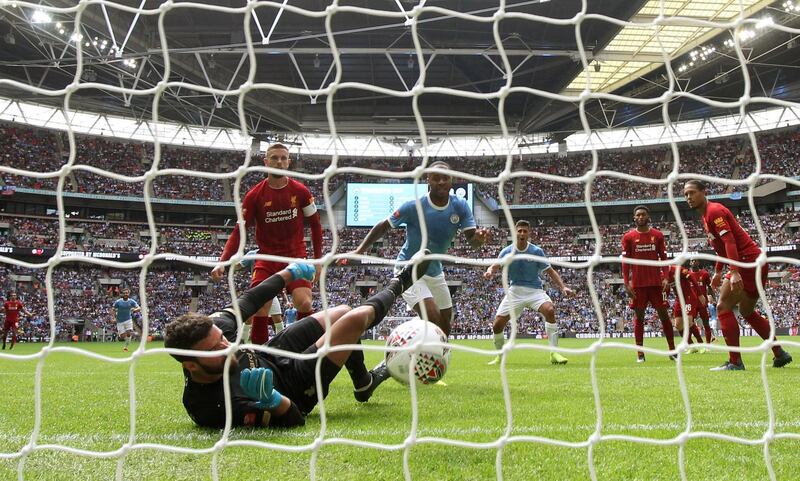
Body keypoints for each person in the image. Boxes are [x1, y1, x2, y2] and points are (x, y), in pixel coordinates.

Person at [164, 254, 430, 429]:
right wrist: (272, 399)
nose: (227, 345)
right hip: (293, 386)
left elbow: (249, 300)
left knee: (342, 311)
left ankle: (363, 383)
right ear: (191, 366)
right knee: (355, 320)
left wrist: (288, 274)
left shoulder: (213, 330)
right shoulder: (213, 407)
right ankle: (400, 283)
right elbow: (294, 419)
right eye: (215, 349)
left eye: (222, 339)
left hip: (273, 352)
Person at [346, 161, 490, 336]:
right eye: (436, 178)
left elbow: (472, 241)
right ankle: (409, 343)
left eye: (445, 178)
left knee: (445, 323)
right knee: (433, 318)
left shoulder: (460, 206)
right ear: (428, 180)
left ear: (452, 180)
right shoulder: (414, 206)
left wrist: (480, 240)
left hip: (435, 271)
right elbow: (384, 226)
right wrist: (359, 251)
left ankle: (437, 356)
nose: (441, 182)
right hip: (409, 269)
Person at [211, 143, 323, 346]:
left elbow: (316, 225)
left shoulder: (301, 191)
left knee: (304, 302)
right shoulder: (254, 196)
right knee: (260, 308)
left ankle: (303, 354)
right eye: (274, 158)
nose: (279, 162)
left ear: (289, 162)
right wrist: (222, 261)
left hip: (295, 256)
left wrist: (318, 260)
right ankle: (260, 356)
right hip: (267, 258)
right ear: (265, 162)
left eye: (283, 158)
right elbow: (239, 231)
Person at [683, 180, 792, 371]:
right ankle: (780, 354)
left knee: (723, 307)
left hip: (746, 262)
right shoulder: (706, 216)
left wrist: (733, 271)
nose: (689, 197)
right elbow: (722, 248)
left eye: (692, 192)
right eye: (686, 194)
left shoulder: (714, 211)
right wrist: (718, 271)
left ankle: (735, 362)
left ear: (703, 192)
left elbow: (730, 242)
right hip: (755, 262)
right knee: (747, 312)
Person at [483, 220, 574, 365]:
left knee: (550, 310)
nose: (522, 234)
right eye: (519, 231)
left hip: (534, 291)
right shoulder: (507, 251)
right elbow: (495, 266)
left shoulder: (536, 251)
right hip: (515, 292)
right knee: (497, 325)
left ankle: (554, 352)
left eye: (525, 231)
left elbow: (550, 271)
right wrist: (489, 271)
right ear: (515, 233)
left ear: (529, 233)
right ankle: (500, 357)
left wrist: (563, 287)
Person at [621, 205, 676, 363]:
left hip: (656, 284)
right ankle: (640, 353)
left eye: (643, 214)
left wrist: (665, 277)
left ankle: (672, 350)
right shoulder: (628, 237)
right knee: (639, 317)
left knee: (664, 315)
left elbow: (664, 259)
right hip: (638, 285)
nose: (640, 217)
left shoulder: (657, 235)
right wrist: (626, 283)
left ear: (648, 216)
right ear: (634, 217)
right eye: (637, 215)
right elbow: (625, 262)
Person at [666, 264, 706, 352]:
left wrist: (700, 294)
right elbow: (667, 288)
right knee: (678, 325)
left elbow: (691, 277)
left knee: (688, 321)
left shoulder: (677, 269)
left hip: (689, 297)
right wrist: (664, 300)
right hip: (679, 299)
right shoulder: (663, 274)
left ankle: (701, 344)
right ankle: (691, 346)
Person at [689, 258, 716, 343]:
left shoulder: (704, 274)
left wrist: (714, 299)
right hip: (691, 303)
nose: (693, 262)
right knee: (690, 324)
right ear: (690, 263)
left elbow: (710, 287)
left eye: (695, 260)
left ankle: (707, 345)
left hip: (702, 303)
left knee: (706, 323)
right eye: (692, 261)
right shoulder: (687, 275)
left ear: (698, 262)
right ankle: (692, 344)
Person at [113, 288, 141, 352]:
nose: (125, 294)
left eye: (127, 293)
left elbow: (139, 308)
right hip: (119, 321)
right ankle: (129, 337)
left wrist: (134, 310)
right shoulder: (118, 302)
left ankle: (125, 347)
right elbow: (113, 309)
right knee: (122, 336)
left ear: (129, 294)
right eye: (124, 293)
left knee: (129, 332)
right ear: (122, 294)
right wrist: (114, 317)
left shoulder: (131, 301)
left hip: (128, 319)